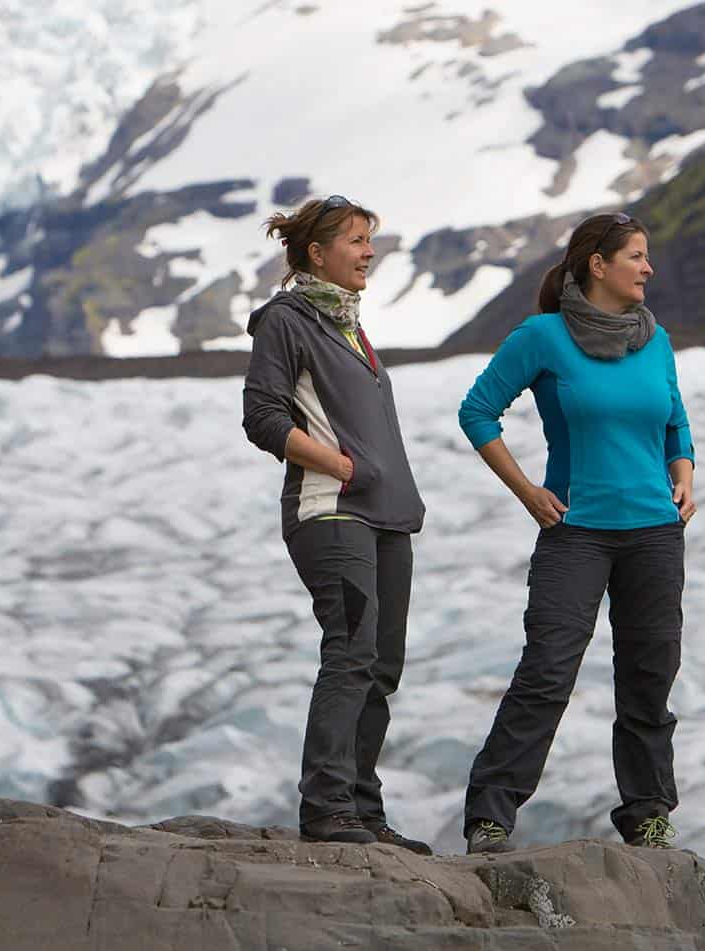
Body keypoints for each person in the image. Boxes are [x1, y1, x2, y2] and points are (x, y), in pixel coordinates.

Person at [456, 211, 696, 854]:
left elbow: (675, 420)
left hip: (654, 534)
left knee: (649, 678)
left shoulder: (656, 338)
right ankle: (490, 814)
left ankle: (647, 812)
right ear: (598, 263)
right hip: (576, 532)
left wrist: (684, 474)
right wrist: (528, 491)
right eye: (637, 256)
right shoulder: (543, 337)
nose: (648, 268)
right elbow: (477, 412)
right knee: (547, 671)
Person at [241, 195, 430, 853]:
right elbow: (263, 416)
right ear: (316, 252)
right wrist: (341, 464)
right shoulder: (288, 322)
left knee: (381, 663)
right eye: (354, 240)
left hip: (386, 517)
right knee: (351, 650)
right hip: (331, 510)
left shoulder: (348, 323)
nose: (368, 251)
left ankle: (362, 809)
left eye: (368, 240)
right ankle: (326, 807)